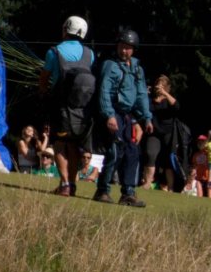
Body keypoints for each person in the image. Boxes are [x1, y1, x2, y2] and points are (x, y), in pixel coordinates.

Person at [93, 28, 152, 207]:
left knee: (132, 152)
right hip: (113, 112)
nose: (124, 50)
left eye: (128, 47)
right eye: (121, 46)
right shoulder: (110, 65)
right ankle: (103, 190)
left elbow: (141, 94)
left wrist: (146, 117)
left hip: (128, 115)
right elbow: (104, 91)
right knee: (115, 151)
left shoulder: (137, 69)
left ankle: (128, 193)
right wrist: (109, 115)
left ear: (133, 49)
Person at [42, 15, 96, 197]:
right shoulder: (90, 54)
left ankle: (64, 183)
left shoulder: (54, 52)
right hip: (83, 109)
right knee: (73, 145)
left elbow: (44, 78)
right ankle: (71, 184)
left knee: (59, 144)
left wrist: (43, 93)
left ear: (66, 29)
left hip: (61, 107)